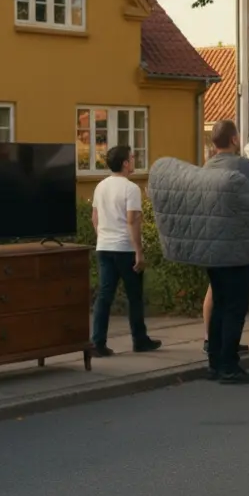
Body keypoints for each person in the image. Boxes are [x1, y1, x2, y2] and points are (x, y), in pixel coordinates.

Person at [202, 119, 249, 384]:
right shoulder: (240, 164)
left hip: (211, 247)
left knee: (220, 305)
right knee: (235, 307)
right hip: (235, 248)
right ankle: (230, 367)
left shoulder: (207, 167)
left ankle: (214, 365)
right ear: (234, 139)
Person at [90, 145, 162, 357]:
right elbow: (132, 221)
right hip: (125, 248)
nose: (134, 160)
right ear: (125, 163)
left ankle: (97, 343)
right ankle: (139, 340)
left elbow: (95, 218)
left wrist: (103, 236)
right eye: (131, 157)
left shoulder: (100, 186)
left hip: (104, 247)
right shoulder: (131, 189)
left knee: (104, 296)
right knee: (134, 296)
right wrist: (139, 251)